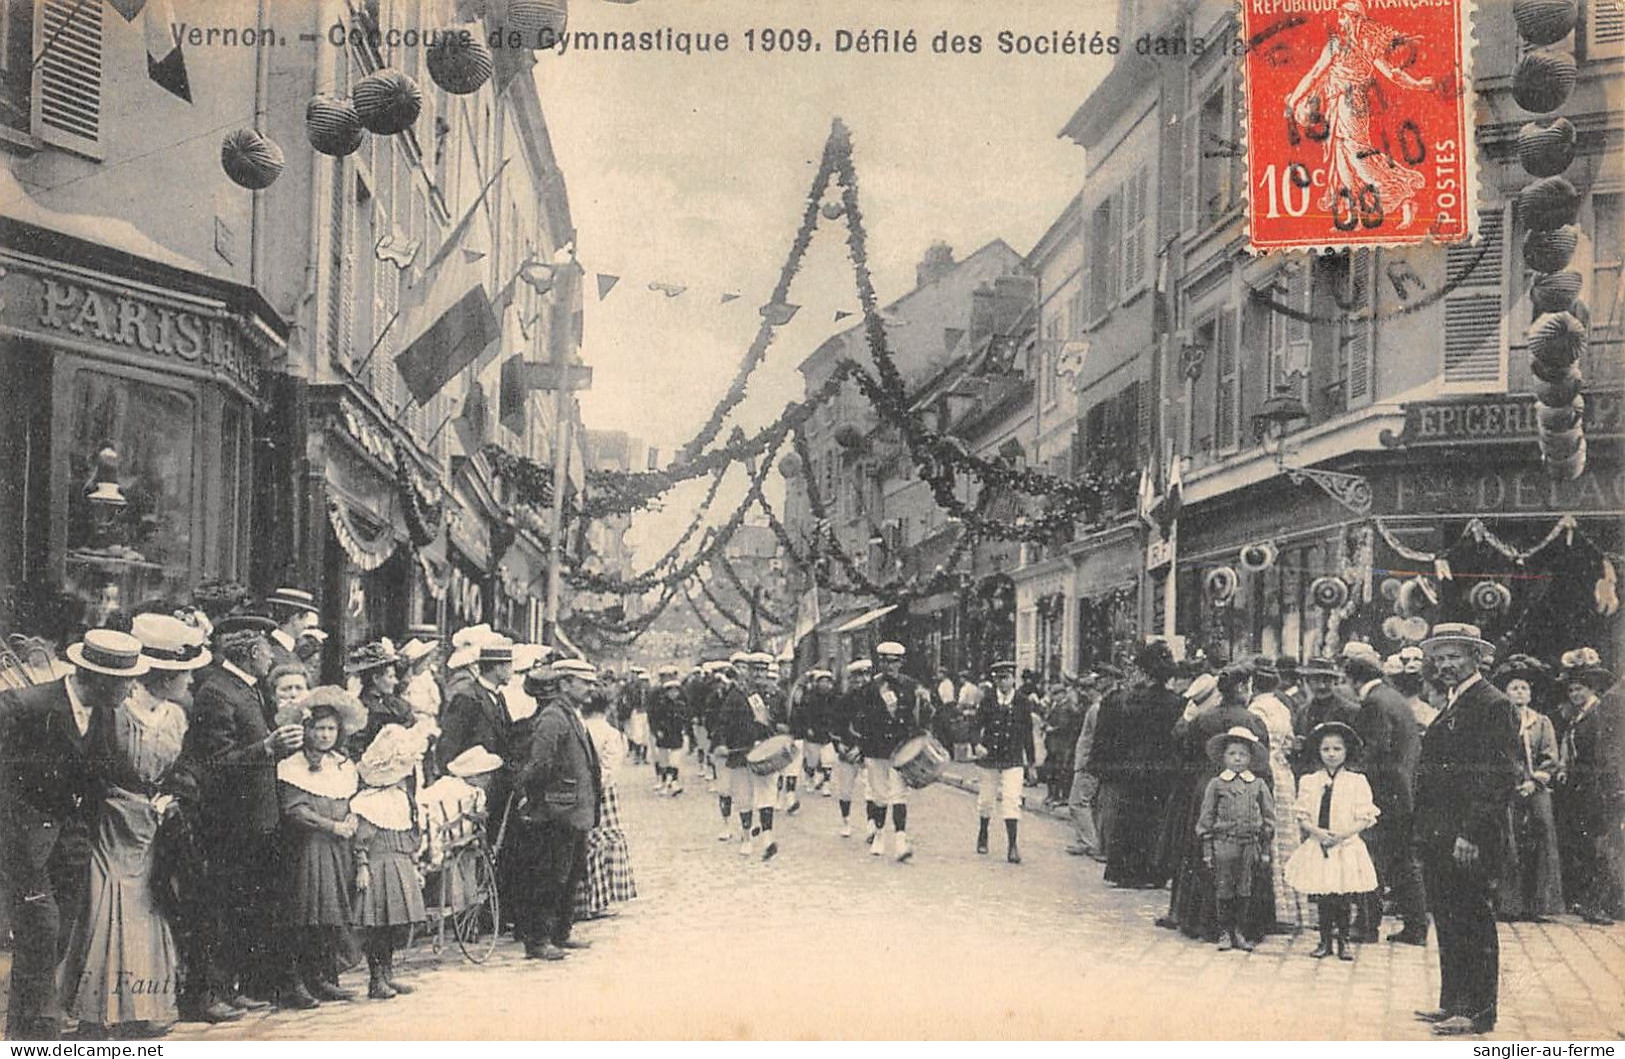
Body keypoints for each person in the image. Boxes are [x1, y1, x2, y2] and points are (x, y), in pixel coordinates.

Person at [53, 617, 205, 1037]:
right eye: (185, 673)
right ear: (166, 674)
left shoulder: (176, 715)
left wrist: (172, 795)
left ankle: (140, 1007)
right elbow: (88, 764)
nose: (191, 680)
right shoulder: (116, 710)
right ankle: (95, 1013)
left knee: (145, 906)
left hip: (151, 823)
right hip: (110, 819)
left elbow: (185, 768)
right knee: (107, 902)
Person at [1, 630, 147, 1039]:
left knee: (54, 939)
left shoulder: (104, 713)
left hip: (72, 844)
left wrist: (151, 794)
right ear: (99, 677)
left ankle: (23, 1035)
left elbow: (109, 769)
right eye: (126, 680)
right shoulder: (26, 706)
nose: (132, 687)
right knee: (42, 931)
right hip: (23, 844)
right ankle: (40, 1036)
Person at [184, 616, 304, 1015]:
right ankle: (209, 993)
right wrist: (267, 748)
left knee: (242, 906)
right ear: (253, 653)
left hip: (255, 819)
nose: (272, 658)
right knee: (219, 905)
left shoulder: (244, 689)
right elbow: (215, 762)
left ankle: (231, 986)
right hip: (229, 822)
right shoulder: (217, 692)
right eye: (268, 650)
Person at [1412, 623, 1520, 1036]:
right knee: (1448, 916)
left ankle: (1477, 1011)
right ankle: (1452, 1002)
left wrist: (1472, 833)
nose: (1446, 665)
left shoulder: (1492, 704)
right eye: (1439, 658)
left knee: (1472, 919)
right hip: (1442, 832)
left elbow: (1497, 777)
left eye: (1454, 657)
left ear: (1477, 658)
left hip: (1467, 836)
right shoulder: (1456, 701)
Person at [1283, 0, 1437, 230]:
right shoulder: (1361, 45)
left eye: (1344, 17)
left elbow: (1315, 74)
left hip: (1350, 104)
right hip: (1341, 104)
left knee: (1357, 155)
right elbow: (1393, 74)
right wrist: (1418, 84)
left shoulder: (1345, 45)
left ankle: (1403, 198)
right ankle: (1355, 215)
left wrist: (1294, 100)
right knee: (1342, 158)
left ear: (1353, 19)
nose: (1340, 21)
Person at [1165, 664, 1275, 941]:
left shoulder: (1204, 720)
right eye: (1248, 687)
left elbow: (1185, 753)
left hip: (1208, 790)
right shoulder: (1253, 722)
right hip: (1244, 790)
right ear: (1241, 689)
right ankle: (1245, 922)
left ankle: (1201, 919)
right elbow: (1262, 762)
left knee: (1206, 853)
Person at [274, 686, 366, 1008]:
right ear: (306, 730)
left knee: (332, 913)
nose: (325, 735)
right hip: (308, 848)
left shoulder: (341, 764)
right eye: (318, 728)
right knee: (306, 913)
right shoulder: (292, 765)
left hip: (338, 849)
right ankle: (295, 983)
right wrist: (332, 826)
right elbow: (294, 810)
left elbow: (351, 799)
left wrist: (353, 816)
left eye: (331, 729)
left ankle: (324, 978)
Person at [515, 658, 602, 961]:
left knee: (570, 873)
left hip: (572, 810)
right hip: (558, 812)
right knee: (551, 876)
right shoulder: (554, 717)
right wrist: (544, 801)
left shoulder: (569, 713)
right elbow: (539, 764)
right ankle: (539, 940)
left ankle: (560, 934)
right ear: (564, 683)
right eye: (584, 682)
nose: (591, 687)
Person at [1343, 641, 1426, 945]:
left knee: (1371, 858)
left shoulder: (1374, 703)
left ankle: (1366, 926)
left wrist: (1352, 778)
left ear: (1353, 680)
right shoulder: (1395, 698)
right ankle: (1416, 927)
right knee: (1403, 861)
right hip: (1402, 792)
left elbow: (1375, 751)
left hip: (1383, 795)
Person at [1089, 640, 1183, 889]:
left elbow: (1110, 738)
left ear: (1143, 671)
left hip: (1131, 768)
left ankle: (1127, 869)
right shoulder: (1176, 703)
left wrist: (1110, 766)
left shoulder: (1125, 701)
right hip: (1163, 770)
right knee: (1157, 819)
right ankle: (1155, 870)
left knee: (1130, 818)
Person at [1284, 721, 1379, 961]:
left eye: (1337, 749)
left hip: (1345, 845)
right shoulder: (1309, 781)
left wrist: (1342, 835)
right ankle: (1324, 940)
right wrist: (1317, 832)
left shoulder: (1357, 782)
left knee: (1343, 896)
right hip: (1320, 844)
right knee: (1324, 895)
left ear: (1346, 751)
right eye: (1326, 749)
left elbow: (1365, 817)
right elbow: (1301, 815)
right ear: (1318, 751)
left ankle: (1344, 940)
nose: (1332, 754)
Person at [350, 724, 428, 999]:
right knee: (378, 925)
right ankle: (376, 978)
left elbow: (406, 833)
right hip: (379, 867)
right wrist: (362, 865)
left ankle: (389, 973)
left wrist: (413, 864)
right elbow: (363, 839)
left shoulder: (401, 799)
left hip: (399, 865)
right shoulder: (369, 801)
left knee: (396, 923)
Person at [1490, 655, 1564, 922]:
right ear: (1506, 693)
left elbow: (1551, 757)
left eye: (1524, 688)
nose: (1519, 692)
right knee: (1508, 841)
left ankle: (1538, 905)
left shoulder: (1542, 722)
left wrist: (1535, 781)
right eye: (1514, 688)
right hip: (1509, 788)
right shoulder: (1500, 719)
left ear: (1530, 694)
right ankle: (1509, 904)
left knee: (1540, 837)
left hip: (1536, 789)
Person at [1554, 648, 1623, 925]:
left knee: (1602, 844)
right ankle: (1588, 900)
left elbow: (1607, 753)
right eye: (1571, 690)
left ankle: (1601, 903)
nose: (1575, 695)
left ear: (1591, 688)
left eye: (1580, 689)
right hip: (1580, 785)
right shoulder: (1577, 716)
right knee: (1583, 843)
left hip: (1598, 786)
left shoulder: (1600, 713)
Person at [1195, 727, 1276, 953]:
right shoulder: (1217, 784)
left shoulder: (1258, 785)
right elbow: (1206, 817)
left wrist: (1266, 848)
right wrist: (1207, 849)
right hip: (1224, 843)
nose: (1238, 759)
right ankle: (1224, 932)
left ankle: (1240, 931)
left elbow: (1269, 819)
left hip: (1250, 844)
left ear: (1250, 758)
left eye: (1243, 754)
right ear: (1224, 757)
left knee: (1245, 887)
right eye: (1232, 754)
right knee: (1224, 888)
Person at [855, 642, 930, 862]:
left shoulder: (911, 686)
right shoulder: (870, 688)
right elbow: (863, 720)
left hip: (901, 749)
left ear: (901, 663)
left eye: (894, 661)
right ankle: (879, 833)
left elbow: (920, 716)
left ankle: (900, 840)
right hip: (876, 749)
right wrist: (861, 748)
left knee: (899, 796)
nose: (890, 666)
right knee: (879, 796)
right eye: (886, 661)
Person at [1245, 657, 1302, 932]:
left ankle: (1274, 909)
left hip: (1268, 772)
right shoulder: (1281, 705)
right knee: (1284, 836)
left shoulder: (1257, 708)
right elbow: (1289, 742)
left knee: (1269, 836)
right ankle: (1289, 906)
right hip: (1284, 772)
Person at [576, 691, 638, 919]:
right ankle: (599, 901)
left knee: (585, 842)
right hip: (602, 794)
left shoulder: (580, 727)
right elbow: (611, 768)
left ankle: (581, 901)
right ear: (607, 709)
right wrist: (599, 785)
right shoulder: (611, 734)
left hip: (581, 792)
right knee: (604, 841)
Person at [971, 660, 1037, 863]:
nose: (1003, 683)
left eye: (1006, 678)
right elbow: (974, 726)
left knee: (1012, 799)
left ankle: (1012, 845)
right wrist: (977, 745)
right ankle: (983, 833)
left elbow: (1028, 733)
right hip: (990, 758)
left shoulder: (1023, 702)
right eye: (999, 678)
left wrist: (1031, 764)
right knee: (986, 800)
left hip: (1013, 758)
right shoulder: (988, 700)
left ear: (1013, 679)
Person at [346, 640, 415, 760]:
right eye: (391, 677)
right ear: (376, 678)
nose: (395, 682)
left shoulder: (394, 703)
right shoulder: (361, 709)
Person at [1291, 657, 1358, 776]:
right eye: (1316, 680)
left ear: (1334, 682)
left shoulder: (1350, 711)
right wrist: (1296, 746)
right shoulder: (1302, 712)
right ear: (1307, 681)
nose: (1322, 686)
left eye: (1327, 680)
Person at [830, 659, 871, 838]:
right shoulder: (843, 701)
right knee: (845, 789)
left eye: (863, 676)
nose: (859, 681)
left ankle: (872, 825)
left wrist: (862, 747)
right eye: (856, 677)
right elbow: (835, 726)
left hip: (868, 751)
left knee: (872, 789)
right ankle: (846, 821)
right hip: (847, 750)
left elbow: (877, 728)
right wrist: (838, 744)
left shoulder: (874, 700)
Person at [1066, 677, 1105, 860]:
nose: (1083, 692)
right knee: (1084, 802)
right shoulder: (1094, 708)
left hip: (1087, 763)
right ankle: (1084, 841)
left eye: (1086, 688)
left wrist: (1087, 762)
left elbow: (1096, 738)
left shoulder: (1096, 709)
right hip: (1085, 761)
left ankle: (1090, 842)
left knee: (1077, 803)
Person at [263, 588, 320, 685]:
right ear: (295, 618)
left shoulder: (282, 649)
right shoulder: (276, 653)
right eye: (305, 617)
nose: (306, 625)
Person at [649, 667, 688, 795]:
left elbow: (685, 718)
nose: (673, 693)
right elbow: (654, 718)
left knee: (674, 762)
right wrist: (656, 731)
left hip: (676, 737)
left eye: (675, 691)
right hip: (664, 736)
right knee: (664, 761)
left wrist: (686, 730)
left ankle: (670, 783)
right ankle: (668, 782)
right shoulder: (660, 704)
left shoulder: (681, 705)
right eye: (670, 691)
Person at [798, 669, 837, 796]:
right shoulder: (810, 698)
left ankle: (826, 784)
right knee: (812, 760)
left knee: (828, 760)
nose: (825, 684)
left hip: (827, 734)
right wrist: (808, 728)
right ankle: (810, 778)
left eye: (827, 681)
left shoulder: (833, 698)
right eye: (822, 681)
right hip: (813, 734)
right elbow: (805, 714)